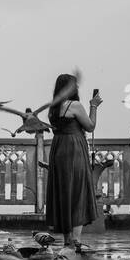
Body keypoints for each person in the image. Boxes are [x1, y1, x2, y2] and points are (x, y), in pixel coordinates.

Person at [46, 74, 102, 245]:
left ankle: (67, 241)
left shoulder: (53, 109)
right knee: (78, 192)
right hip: (74, 150)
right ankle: (75, 241)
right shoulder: (74, 105)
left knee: (64, 193)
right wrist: (93, 106)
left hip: (58, 150)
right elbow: (90, 126)